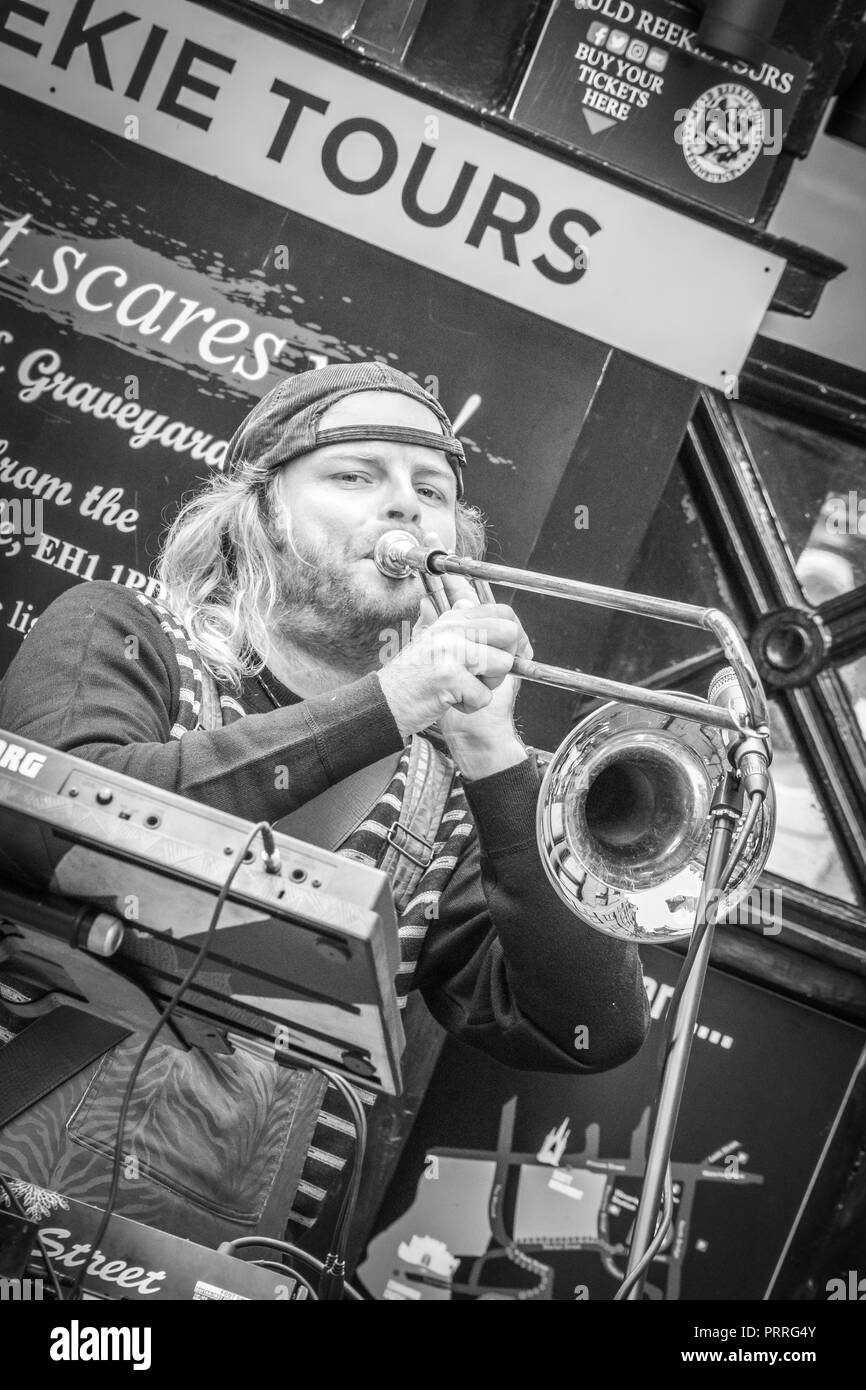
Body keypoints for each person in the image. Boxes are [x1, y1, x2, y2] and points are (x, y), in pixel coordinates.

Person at [0, 362, 649, 1250]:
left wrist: (496, 757)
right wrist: (390, 702)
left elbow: (590, 1029)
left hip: (218, 1257)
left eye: (433, 490)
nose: (407, 509)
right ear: (261, 508)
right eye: (355, 475)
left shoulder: (448, 796)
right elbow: (50, 822)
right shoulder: (121, 632)